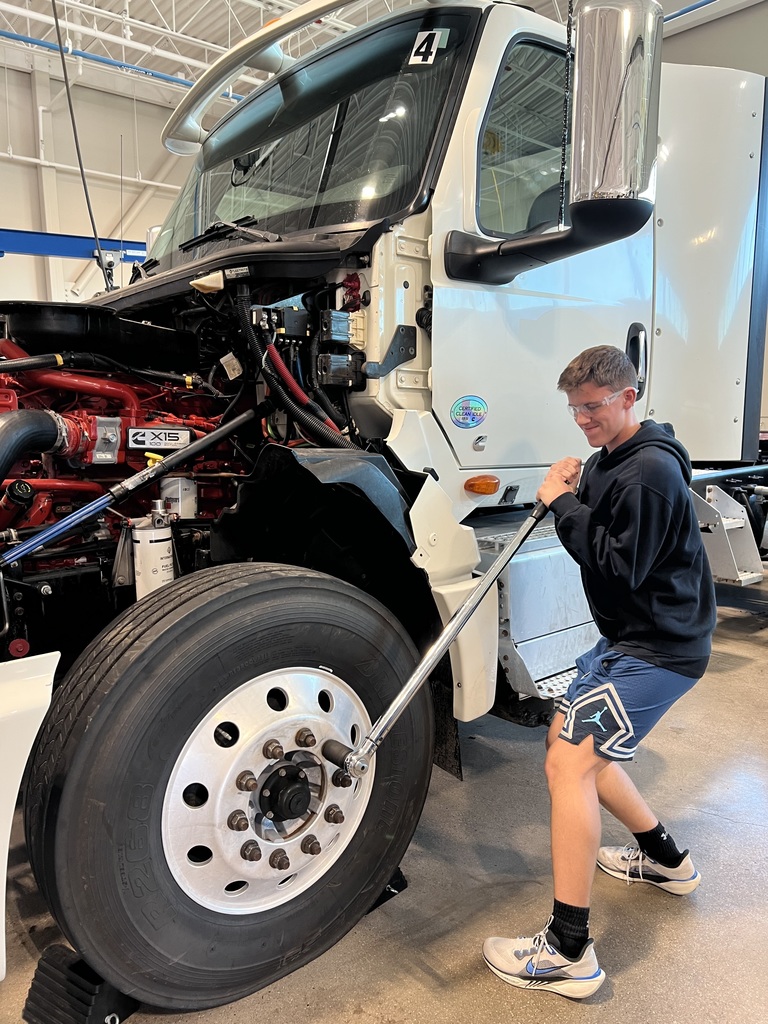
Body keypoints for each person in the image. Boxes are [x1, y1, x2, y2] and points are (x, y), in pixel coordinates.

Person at [483, 345, 717, 999]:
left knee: (569, 763)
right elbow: (602, 509)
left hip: (658, 651)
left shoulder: (649, 473)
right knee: (576, 748)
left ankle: (567, 951)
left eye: (593, 408)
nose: (583, 421)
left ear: (627, 398)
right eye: (575, 410)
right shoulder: (614, 458)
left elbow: (618, 565)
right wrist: (577, 480)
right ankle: (666, 861)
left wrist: (561, 501)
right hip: (627, 641)